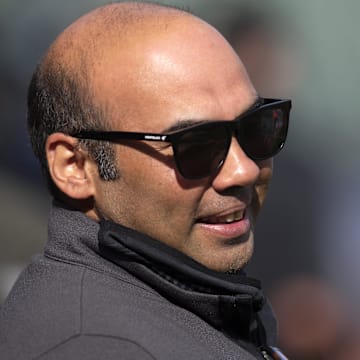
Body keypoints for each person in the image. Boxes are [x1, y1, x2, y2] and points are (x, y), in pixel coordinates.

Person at [0, 2, 291, 359]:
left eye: (257, 128)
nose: (242, 170)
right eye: (196, 145)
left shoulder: (180, 311)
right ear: (74, 166)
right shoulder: (97, 347)